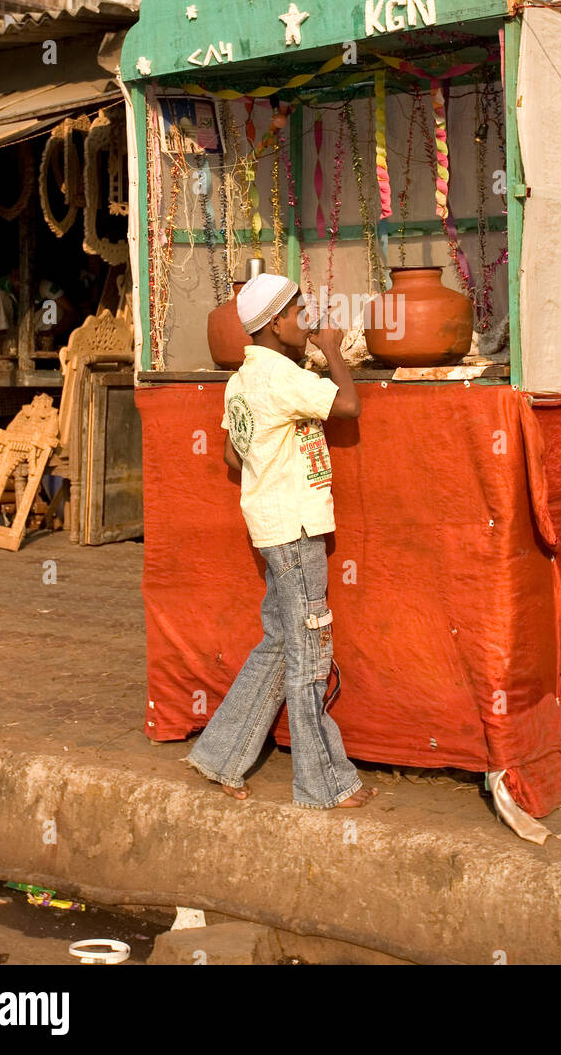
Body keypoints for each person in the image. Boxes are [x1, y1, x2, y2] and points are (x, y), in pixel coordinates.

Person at [187, 272, 377, 810]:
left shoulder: (243, 379)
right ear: (274, 324)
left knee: (280, 644)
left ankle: (222, 757)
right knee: (310, 654)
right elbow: (348, 407)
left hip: (270, 528)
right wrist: (334, 351)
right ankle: (324, 783)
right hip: (295, 530)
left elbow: (230, 456)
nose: (309, 322)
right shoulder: (281, 377)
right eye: (300, 314)